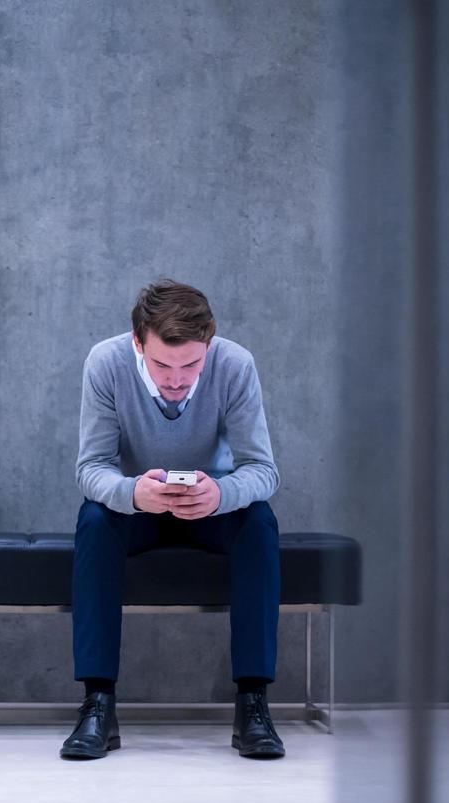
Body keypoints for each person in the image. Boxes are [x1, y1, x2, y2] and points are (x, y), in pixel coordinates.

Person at [62, 279, 285, 761]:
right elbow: (90, 468)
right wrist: (133, 493)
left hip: (212, 507)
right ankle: (98, 703)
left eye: (191, 365)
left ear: (209, 344)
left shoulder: (234, 364)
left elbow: (263, 471)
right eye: (162, 364)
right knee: (94, 521)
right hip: (139, 505)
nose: (177, 379)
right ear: (138, 342)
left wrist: (220, 494)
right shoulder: (106, 363)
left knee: (260, 523)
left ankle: (253, 704)